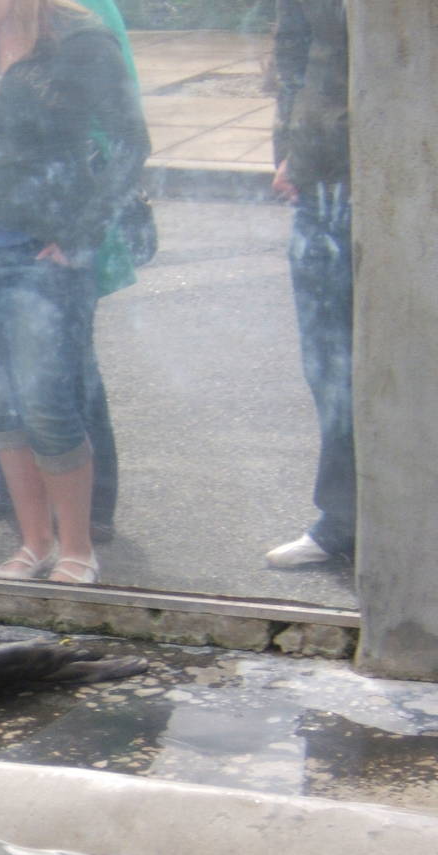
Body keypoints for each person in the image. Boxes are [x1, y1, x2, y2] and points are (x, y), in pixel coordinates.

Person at [0, 0, 149, 585]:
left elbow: (130, 144)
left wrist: (79, 232)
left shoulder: (81, 41)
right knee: (3, 407)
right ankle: (33, 543)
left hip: (44, 256)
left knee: (49, 406)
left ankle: (77, 550)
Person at [265, 0, 353, 570]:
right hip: (325, 184)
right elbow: (293, 54)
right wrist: (292, 151)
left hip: (408, 174)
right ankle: (344, 520)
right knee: (331, 367)